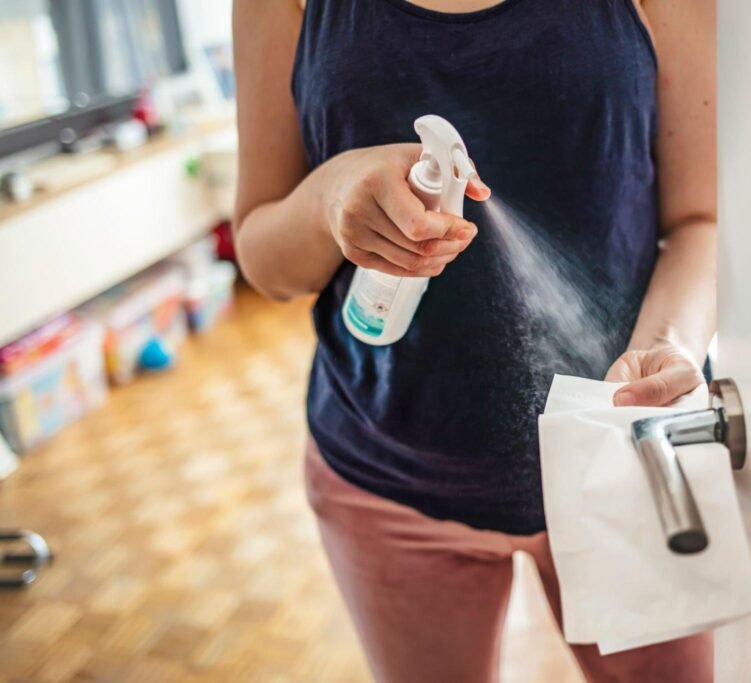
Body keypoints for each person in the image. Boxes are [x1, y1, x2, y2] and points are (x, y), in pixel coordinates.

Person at [233, 1, 717, 681]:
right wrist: (329, 198)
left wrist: (669, 349)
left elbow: (703, 219)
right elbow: (263, 260)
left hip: (625, 466)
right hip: (385, 485)